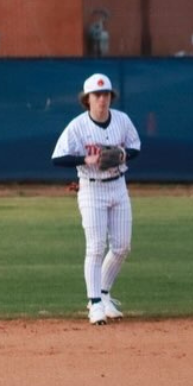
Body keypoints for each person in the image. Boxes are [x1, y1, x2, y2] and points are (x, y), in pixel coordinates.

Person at [51, 73, 141, 326]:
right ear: (87, 99)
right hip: (91, 190)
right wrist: (85, 159)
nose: (102, 99)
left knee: (123, 246)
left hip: (118, 187)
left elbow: (135, 146)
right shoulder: (78, 126)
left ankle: (103, 293)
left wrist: (123, 154)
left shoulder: (122, 120)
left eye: (106, 94)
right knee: (95, 246)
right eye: (97, 95)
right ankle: (94, 304)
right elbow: (58, 158)